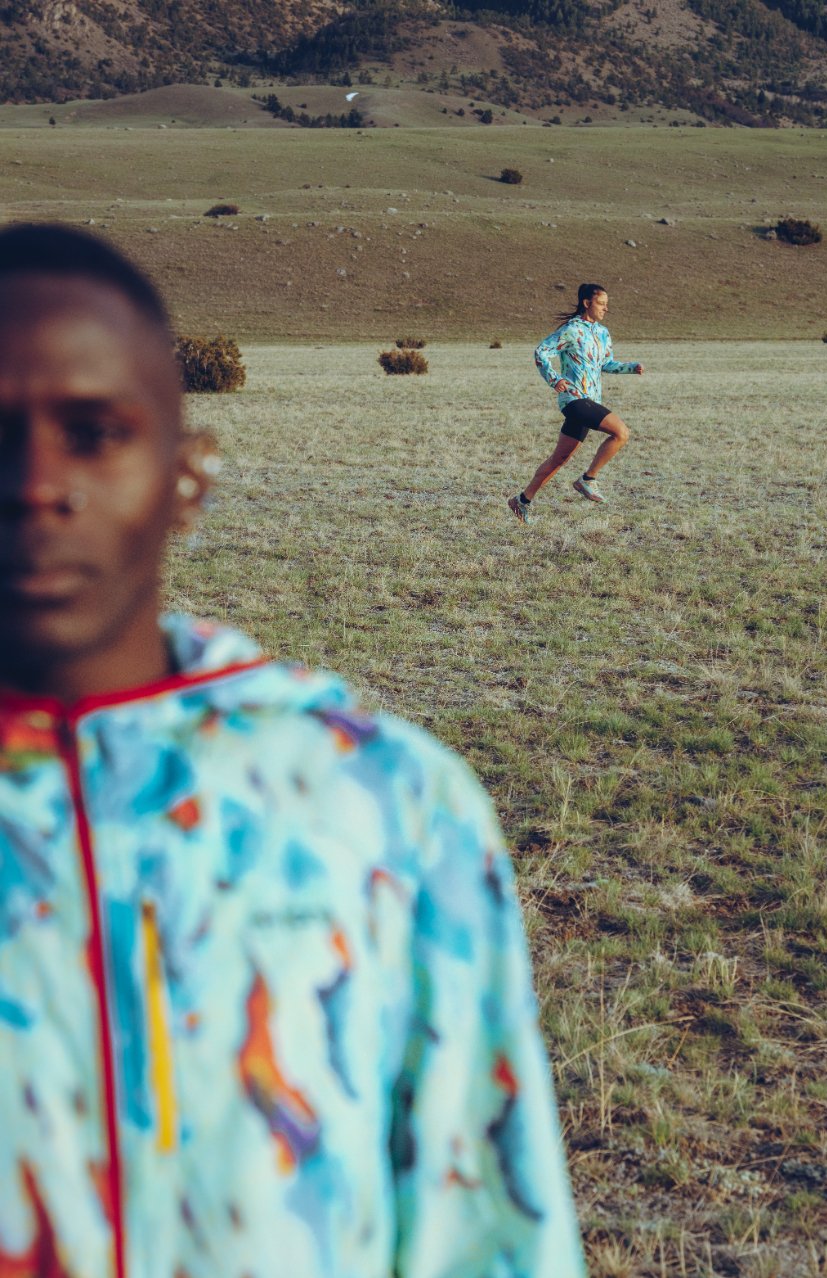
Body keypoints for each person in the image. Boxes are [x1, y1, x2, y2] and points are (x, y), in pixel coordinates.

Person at [0, 224, 586, 1278]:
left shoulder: (385, 802)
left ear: (186, 477)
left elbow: (485, 1228)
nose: (35, 483)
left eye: (93, 432)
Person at [508, 283, 644, 523]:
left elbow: (606, 364)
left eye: (606, 304)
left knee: (559, 459)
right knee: (621, 432)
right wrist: (554, 378)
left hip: (590, 400)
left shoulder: (603, 333)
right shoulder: (571, 330)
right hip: (574, 399)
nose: (606, 308)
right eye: (601, 303)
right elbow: (541, 352)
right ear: (587, 303)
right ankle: (588, 479)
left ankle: (522, 500)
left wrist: (631, 368)